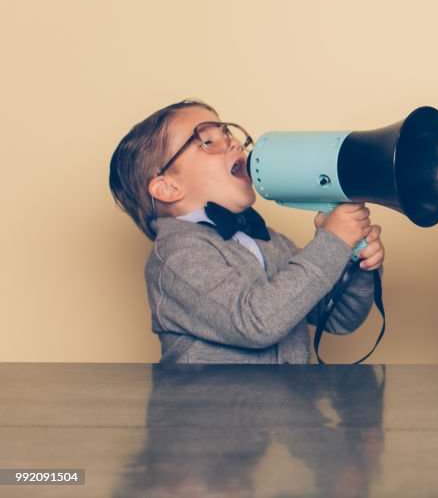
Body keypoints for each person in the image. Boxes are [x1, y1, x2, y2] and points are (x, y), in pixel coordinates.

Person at [109, 99, 383, 363]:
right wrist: (332, 243)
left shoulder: (269, 241)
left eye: (227, 133)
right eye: (208, 141)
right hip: (209, 410)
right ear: (168, 188)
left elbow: (336, 317)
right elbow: (256, 323)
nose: (233, 143)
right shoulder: (176, 256)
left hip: (287, 409)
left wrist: (356, 264)